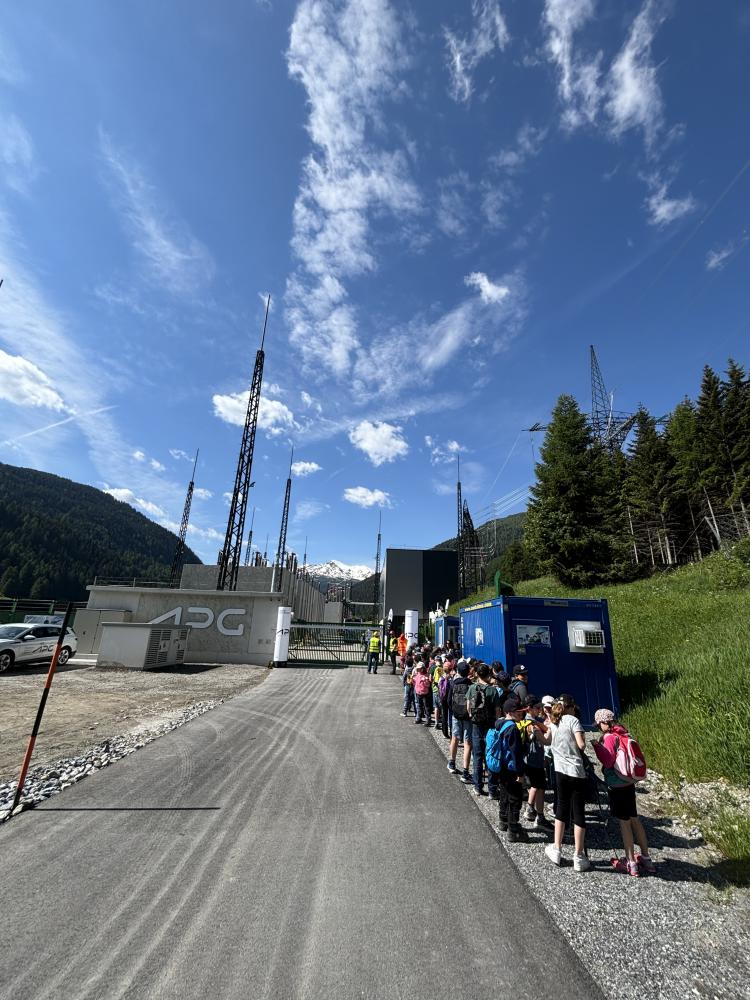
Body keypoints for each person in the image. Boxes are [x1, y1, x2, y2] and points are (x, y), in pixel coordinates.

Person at [592, 709, 655, 876]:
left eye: (599, 724)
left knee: (624, 822)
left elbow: (608, 761)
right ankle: (646, 858)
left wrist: (597, 747)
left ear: (602, 723)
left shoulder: (609, 737)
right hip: (629, 782)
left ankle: (631, 862)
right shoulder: (624, 733)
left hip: (616, 784)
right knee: (634, 818)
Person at [544, 694, 591, 872]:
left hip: (560, 770)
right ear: (570, 707)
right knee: (578, 812)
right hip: (575, 771)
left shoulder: (554, 720)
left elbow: (547, 740)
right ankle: (578, 855)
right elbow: (581, 745)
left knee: (561, 808)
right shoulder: (573, 721)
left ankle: (557, 848)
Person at [491, 697, 530, 841]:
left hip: (501, 765)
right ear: (510, 712)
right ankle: (513, 830)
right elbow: (516, 753)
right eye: (518, 712)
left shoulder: (500, 723)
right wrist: (520, 773)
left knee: (504, 793)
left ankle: (503, 820)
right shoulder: (513, 728)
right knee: (515, 798)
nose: (521, 714)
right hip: (511, 768)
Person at [467, 663, 502, 797]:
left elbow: (468, 708)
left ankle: (478, 787)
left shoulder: (472, 688)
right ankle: (492, 790)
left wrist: (473, 717)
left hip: (476, 725)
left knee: (477, 756)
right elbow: (497, 711)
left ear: (477, 674)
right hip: (490, 726)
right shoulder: (492, 690)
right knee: (490, 755)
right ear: (488, 674)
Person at [520, 696, 552, 830]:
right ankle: (540, 817)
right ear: (529, 708)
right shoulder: (532, 725)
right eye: (537, 708)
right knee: (540, 788)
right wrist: (550, 730)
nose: (540, 710)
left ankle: (530, 810)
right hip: (535, 761)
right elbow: (546, 741)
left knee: (535, 785)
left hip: (528, 759)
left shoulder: (524, 720)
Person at [447, 659, 473, 781]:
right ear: (468, 672)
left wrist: (453, 710)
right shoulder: (471, 685)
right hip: (468, 716)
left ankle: (452, 763)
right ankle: (466, 772)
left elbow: (448, 700)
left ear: (458, 671)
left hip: (456, 715)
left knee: (455, 738)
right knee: (467, 743)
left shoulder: (453, 683)